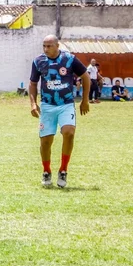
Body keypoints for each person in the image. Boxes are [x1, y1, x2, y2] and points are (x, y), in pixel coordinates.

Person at [29, 35, 90, 188]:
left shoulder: (69, 59)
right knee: (46, 141)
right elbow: (33, 83)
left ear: (57, 45)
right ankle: (46, 171)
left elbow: (86, 77)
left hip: (66, 104)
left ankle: (63, 170)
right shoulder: (38, 61)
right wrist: (33, 104)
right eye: (44, 46)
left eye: (49, 46)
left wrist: (85, 100)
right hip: (48, 106)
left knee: (69, 133)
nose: (46, 49)